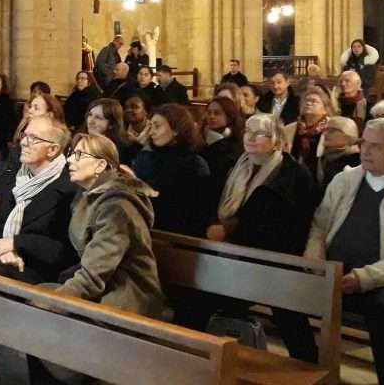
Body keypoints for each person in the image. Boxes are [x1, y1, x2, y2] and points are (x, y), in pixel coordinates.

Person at [28, 133, 164, 384]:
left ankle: (79, 374)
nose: (70, 160)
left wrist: (55, 301)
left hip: (127, 297)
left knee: (40, 311)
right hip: (105, 289)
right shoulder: (88, 197)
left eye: (79, 155)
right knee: (33, 303)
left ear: (101, 165)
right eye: (71, 154)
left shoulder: (116, 207)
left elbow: (94, 275)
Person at [305, 118, 384, 385]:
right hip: (333, 273)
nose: (365, 151)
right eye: (364, 143)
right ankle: (306, 368)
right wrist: (315, 262)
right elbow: (319, 226)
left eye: (376, 146)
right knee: (285, 293)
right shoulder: (344, 180)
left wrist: (366, 277)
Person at [0, 117, 78, 385]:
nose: (24, 142)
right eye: (25, 135)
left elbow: (65, 251)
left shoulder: (68, 188)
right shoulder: (19, 178)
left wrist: (16, 243)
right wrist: (2, 251)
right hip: (5, 263)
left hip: (40, 273)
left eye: (33, 138)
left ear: (53, 149)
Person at [194, 113, 320, 363]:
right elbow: (213, 202)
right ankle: (190, 359)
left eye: (260, 133)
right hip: (233, 258)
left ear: (277, 141)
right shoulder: (235, 165)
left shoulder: (294, 175)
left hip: (276, 263)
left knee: (289, 317)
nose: (250, 137)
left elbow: (289, 225)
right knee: (195, 299)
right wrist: (216, 226)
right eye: (248, 131)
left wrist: (231, 230)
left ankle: (310, 367)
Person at [132, 104, 211, 236]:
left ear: (176, 130)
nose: (151, 132)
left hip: (176, 235)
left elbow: (197, 213)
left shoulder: (194, 164)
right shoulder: (146, 157)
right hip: (145, 229)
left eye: (157, 126)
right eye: (150, 126)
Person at [198, 97, 245, 214]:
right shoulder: (200, 139)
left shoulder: (234, 145)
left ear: (229, 117)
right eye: (209, 112)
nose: (211, 116)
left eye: (217, 113)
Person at [284, 87, 335, 182]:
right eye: (306, 101)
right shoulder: (289, 129)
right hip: (292, 179)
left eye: (314, 101)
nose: (308, 103)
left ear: (325, 109)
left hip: (321, 180)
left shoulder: (332, 128)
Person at [82, 98, 135, 166]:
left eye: (98, 118)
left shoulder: (120, 150)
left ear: (111, 124)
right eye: (90, 115)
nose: (90, 121)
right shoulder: (81, 140)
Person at [315, 116, 361, 191]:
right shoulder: (324, 157)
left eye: (332, 130)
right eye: (325, 130)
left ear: (348, 135)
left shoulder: (355, 161)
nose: (325, 134)